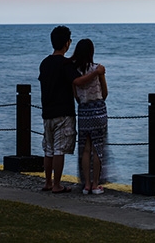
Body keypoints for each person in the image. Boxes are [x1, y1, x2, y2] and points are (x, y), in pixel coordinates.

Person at [39, 26, 105, 194]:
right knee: (59, 149)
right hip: (63, 112)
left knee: (48, 149)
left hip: (47, 111)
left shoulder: (45, 63)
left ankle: (48, 182)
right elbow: (77, 81)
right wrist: (97, 73)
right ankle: (57, 185)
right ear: (67, 44)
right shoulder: (66, 64)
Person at [71, 38, 108, 195]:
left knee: (85, 149)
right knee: (97, 148)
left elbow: (76, 96)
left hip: (84, 111)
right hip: (98, 109)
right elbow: (105, 93)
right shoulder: (97, 69)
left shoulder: (74, 71)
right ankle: (95, 184)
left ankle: (86, 184)